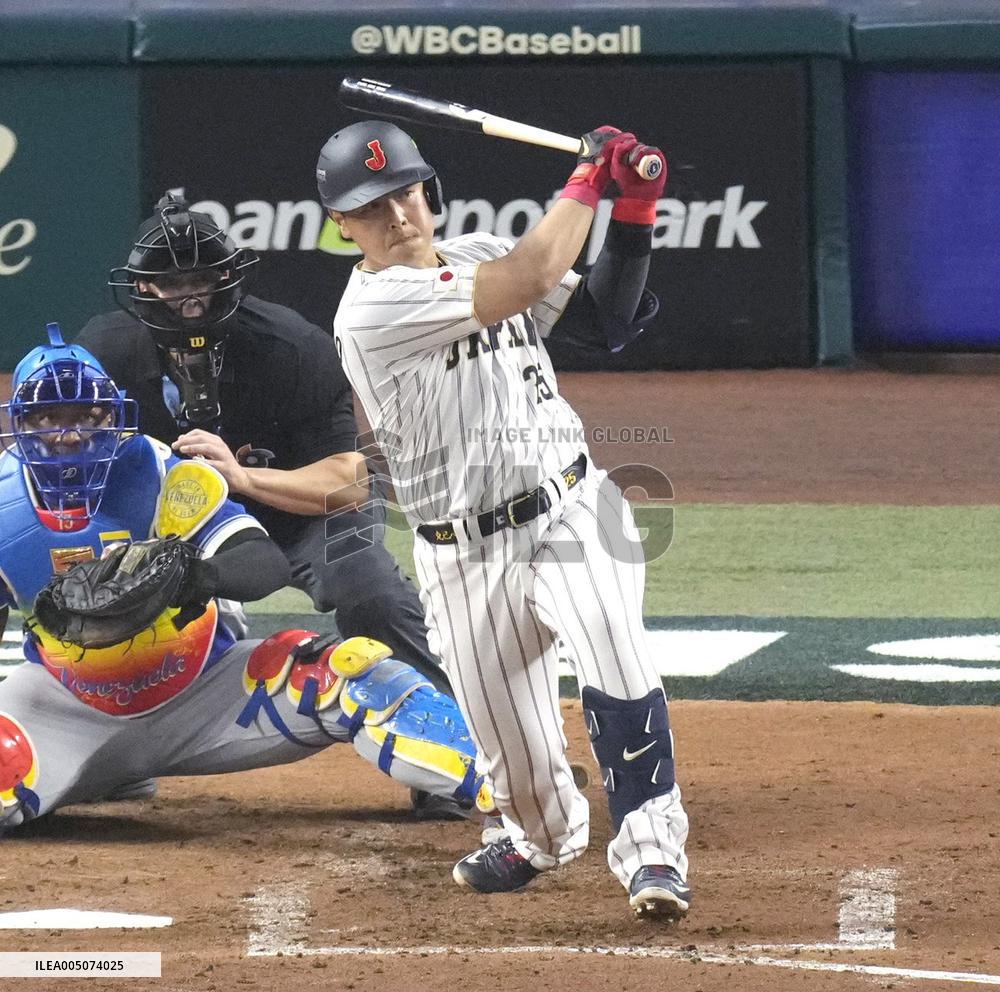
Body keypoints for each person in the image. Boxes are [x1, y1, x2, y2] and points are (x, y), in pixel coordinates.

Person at [316, 120, 692, 918]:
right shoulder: (373, 309)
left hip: (572, 507)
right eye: (372, 208)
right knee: (514, 764)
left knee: (615, 657)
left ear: (430, 191)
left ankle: (654, 853)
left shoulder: (480, 249)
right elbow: (528, 278)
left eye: (406, 194)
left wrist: (636, 215)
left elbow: (605, 321)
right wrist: (591, 178)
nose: (398, 216)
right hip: (460, 555)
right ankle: (540, 836)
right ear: (342, 224)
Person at [0, 326, 490, 832]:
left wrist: (190, 576)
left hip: (205, 691)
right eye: (49, 417)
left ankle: (501, 782)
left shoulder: (161, 469)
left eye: (86, 415)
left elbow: (263, 562)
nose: (70, 432)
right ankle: (107, 774)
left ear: (112, 415)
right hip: (64, 708)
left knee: (352, 671)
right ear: (22, 423)